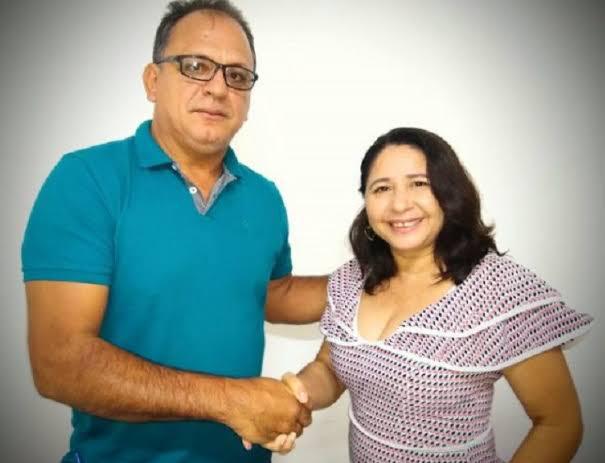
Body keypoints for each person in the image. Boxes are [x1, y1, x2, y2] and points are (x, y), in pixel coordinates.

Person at [21, 1, 326, 462]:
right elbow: (59, 362)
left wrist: (382, 277)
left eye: (237, 75)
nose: (218, 88)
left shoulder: (264, 197)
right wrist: (231, 401)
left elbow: (271, 293)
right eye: (196, 66)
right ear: (152, 81)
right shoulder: (87, 179)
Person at [266, 127, 594, 462]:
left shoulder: (500, 290)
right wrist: (296, 395)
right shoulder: (353, 278)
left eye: (419, 184)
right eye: (382, 188)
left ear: (449, 191)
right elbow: (330, 368)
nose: (399, 203)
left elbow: (559, 424)